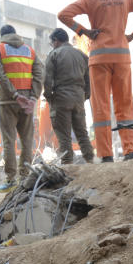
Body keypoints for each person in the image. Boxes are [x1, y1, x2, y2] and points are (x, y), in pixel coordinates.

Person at [58, 0, 133, 162]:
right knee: (125, 105)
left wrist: (85, 31)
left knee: (101, 107)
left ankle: (106, 155)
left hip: (99, 58)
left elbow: (63, 15)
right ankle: (130, 151)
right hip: (121, 56)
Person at [0, 25, 43, 190]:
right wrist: (33, 97)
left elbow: (0, 75)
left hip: (7, 102)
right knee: (27, 140)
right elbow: (39, 74)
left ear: (2, 36)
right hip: (27, 103)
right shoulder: (30, 50)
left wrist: (15, 95)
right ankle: (25, 176)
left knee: (9, 141)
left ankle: (11, 179)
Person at [43, 27, 95, 165]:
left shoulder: (54, 55)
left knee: (64, 136)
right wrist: (85, 96)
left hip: (61, 98)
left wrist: (49, 97)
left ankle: (67, 165)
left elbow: (47, 80)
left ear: (55, 41)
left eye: (51, 43)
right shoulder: (81, 55)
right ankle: (90, 160)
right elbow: (88, 79)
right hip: (78, 98)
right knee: (82, 133)